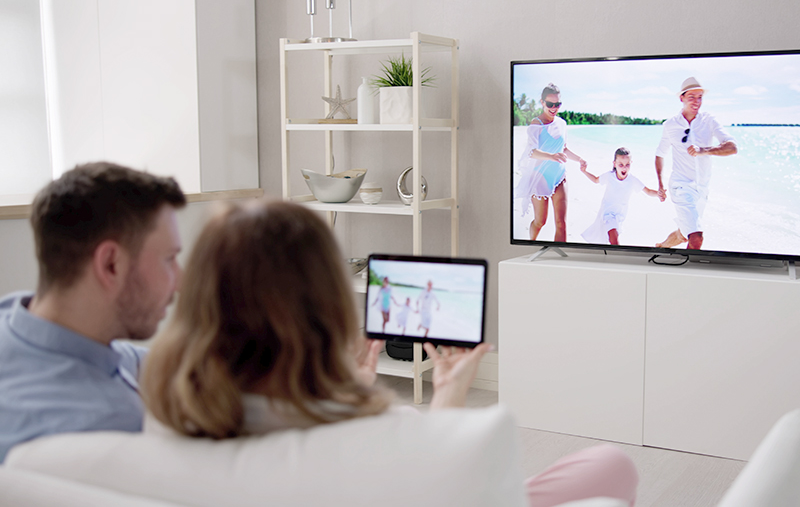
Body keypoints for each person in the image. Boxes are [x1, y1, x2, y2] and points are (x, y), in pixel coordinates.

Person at [141, 200, 638, 507]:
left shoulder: (164, 420)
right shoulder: (391, 434)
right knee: (612, 465)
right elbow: (448, 477)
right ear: (329, 302)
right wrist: (447, 396)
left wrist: (351, 391)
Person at [0, 162, 186, 462]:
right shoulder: (109, 421)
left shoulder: (13, 315)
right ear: (110, 264)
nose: (179, 281)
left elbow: (126, 359)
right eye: (170, 260)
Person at [655, 77, 738, 250]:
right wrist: (660, 184)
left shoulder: (709, 121)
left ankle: (661, 247)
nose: (696, 101)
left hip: (702, 188)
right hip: (680, 186)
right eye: (692, 96)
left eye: (700, 97)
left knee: (685, 234)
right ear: (682, 98)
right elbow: (660, 155)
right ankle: (685, 275)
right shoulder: (670, 125)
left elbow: (732, 147)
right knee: (697, 237)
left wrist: (704, 150)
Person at [515, 83, 587, 241]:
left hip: (559, 176)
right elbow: (531, 152)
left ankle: (560, 260)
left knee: (561, 223)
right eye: (550, 104)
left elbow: (564, 148)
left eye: (557, 104)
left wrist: (579, 159)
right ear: (542, 102)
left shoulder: (562, 124)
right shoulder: (536, 124)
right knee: (541, 221)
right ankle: (530, 244)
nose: (554, 108)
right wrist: (551, 156)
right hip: (540, 178)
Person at [581, 148, 660, 245]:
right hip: (607, 213)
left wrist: (658, 194)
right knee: (614, 240)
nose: (624, 168)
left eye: (627, 165)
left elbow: (648, 191)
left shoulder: (632, 180)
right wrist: (585, 171)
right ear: (614, 164)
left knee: (611, 239)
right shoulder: (609, 176)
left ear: (631, 163)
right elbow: (596, 180)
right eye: (621, 165)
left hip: (620, 215)